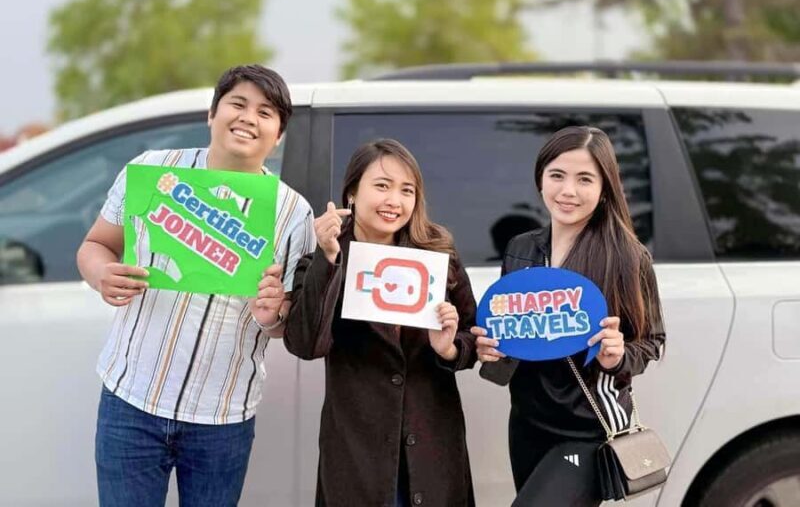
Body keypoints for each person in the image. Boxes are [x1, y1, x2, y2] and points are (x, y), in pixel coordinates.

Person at [77, 64, 315, 507]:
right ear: (212, 113)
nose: (248, 118)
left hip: (222, 416)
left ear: (278, 135)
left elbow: (285, 323)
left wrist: (274, 315)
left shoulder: (293, 214)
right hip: (131, 400)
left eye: (265, 112)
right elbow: (95, 246)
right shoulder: (151, 171)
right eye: (237, 104)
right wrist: (101, 275)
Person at [471, 126, 666, 506]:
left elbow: (652, 340)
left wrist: (618, 355)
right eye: (557, 175)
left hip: (587, 427)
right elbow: (513, 334)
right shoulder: (522, 248)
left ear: (605, 187)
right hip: (527, 422)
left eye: (584, 179)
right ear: (540, 178)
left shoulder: (627, 257)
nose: (568, 191)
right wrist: (491, 349)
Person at [279, 138, 477, 506]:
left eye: (407, 190)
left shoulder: (437, 255)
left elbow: (474, 339)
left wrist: (450, 348)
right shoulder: (325, 259)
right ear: (352, 193)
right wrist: (329, 259)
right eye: (382, 186)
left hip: (430, 443)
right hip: (358, 451)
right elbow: (306, 344)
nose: (394, 201)